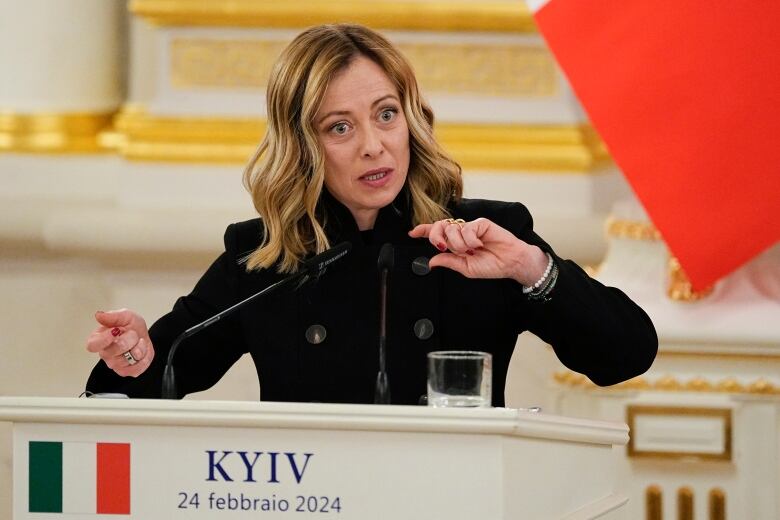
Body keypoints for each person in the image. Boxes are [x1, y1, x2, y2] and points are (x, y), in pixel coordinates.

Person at [85, 24, 657, 406]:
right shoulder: (263, 258)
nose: (373, 145)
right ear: (302, 144)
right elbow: (143, 383)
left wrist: (535, 270)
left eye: (386, 114)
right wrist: (131, 355)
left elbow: (626, 355)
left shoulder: (482, 240)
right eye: (340, 126)